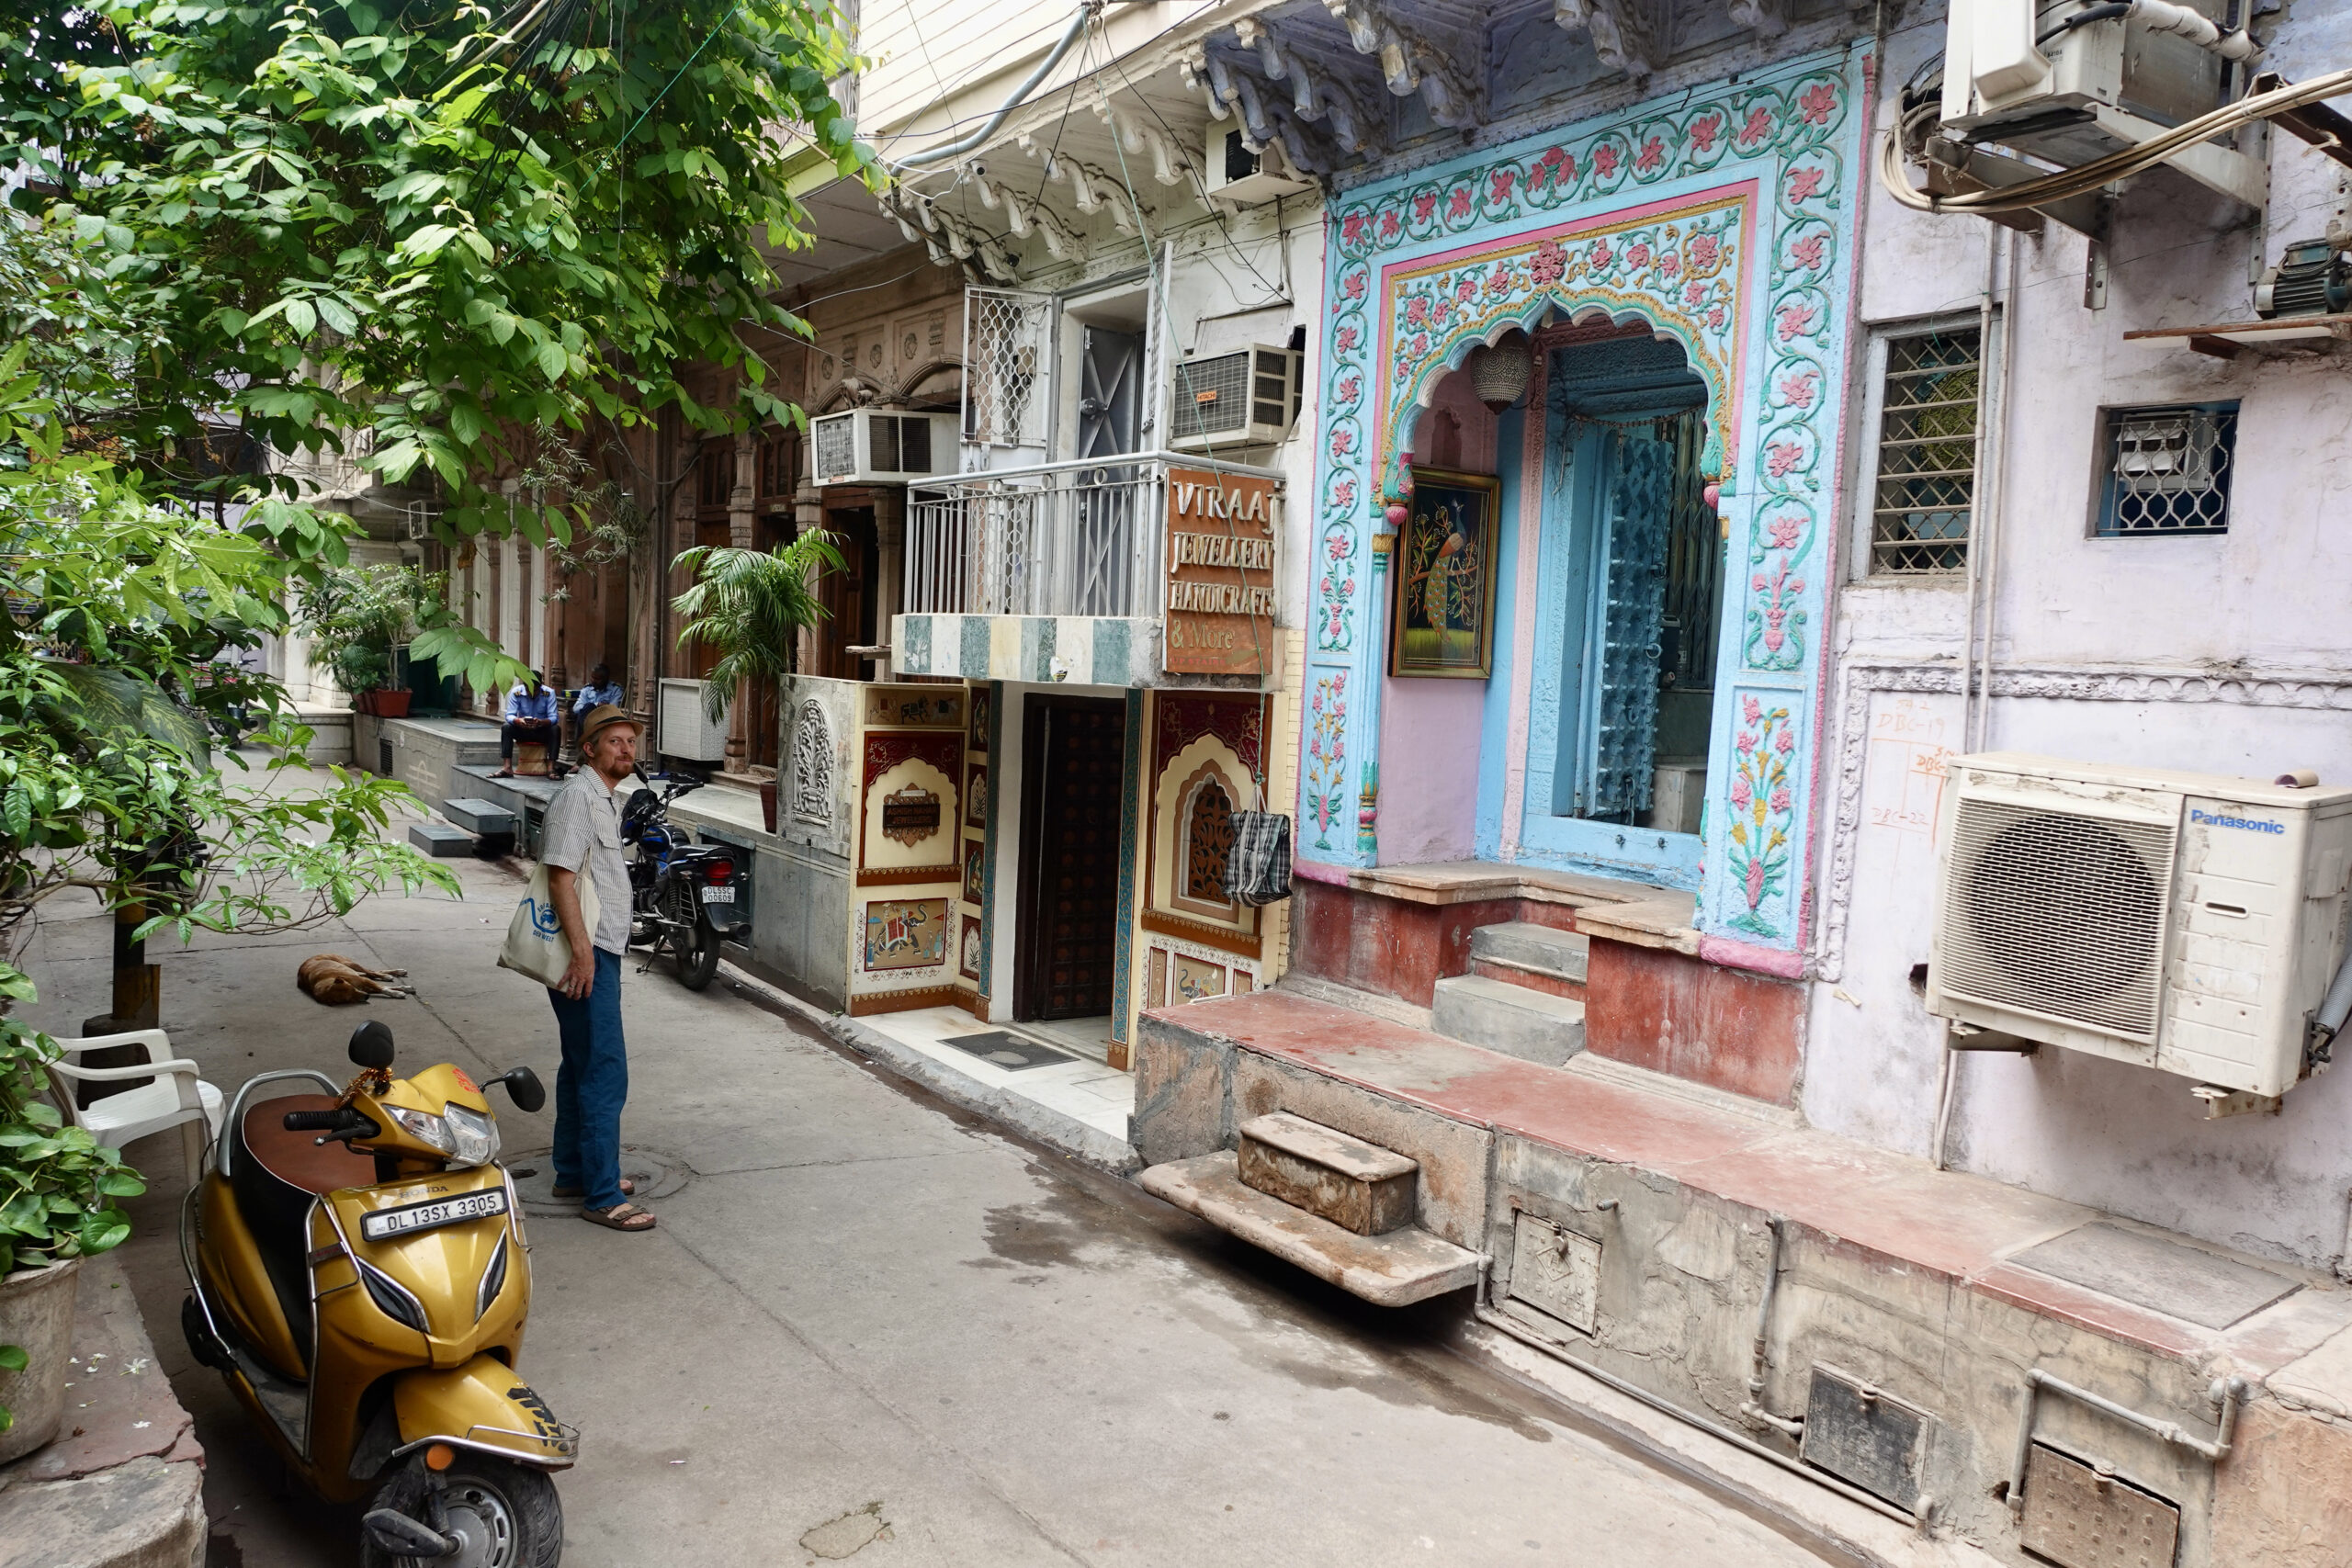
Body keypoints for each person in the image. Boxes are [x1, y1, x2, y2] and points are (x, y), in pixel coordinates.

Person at [538, 704, 654, 1232]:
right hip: (586, 955)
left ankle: (574, 1171)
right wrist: (583, 953)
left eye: (631, 742)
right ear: (589, 749)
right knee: (606, 1069)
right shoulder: (577, 799)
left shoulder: (606, 798)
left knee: (580, 1063)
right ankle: (603, 1195)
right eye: (615, 742)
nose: (626, 750)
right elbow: (560, 878)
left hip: (598, 949)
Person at [494, 672, 560, 778]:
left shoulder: (549, 693)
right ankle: (507, 767)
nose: (532, 693)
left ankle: (551, 768)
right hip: (523, 730)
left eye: (535, 690)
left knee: (555, 729)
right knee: (506, 727)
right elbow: (510, 714)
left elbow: (554, 717)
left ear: (540, 686)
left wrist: (541, 722)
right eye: (529, 690)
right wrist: (518, 721)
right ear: (525, 686)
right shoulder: (517, 692)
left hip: (541, 730)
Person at [568, 662, 623, 753]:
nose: (593, 681)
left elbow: (613, 709)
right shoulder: (587, 689)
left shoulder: (615, 689)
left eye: (597, 679)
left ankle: (585, 743)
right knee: (588, 707)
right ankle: (586, 741)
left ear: (605, 679)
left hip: (604, 720)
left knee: (588, 708)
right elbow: (576, 708)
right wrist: (596, 704)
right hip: (587, 720)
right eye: (592, 677)